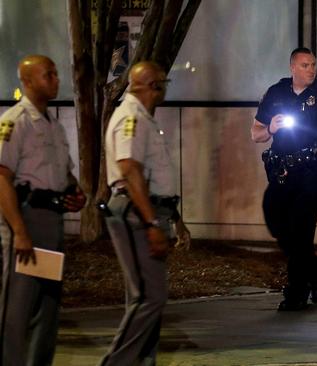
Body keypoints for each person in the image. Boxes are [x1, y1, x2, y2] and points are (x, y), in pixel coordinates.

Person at [100, 61, 190, 365]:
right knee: (149, 298)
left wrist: (174, 220)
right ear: (152, 85)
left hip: (149, 211)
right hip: (137, 213)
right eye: (163, 82)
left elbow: (155, 177)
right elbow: (130, 171)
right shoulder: (131, 118)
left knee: (147, 298)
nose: (165, 88)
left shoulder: (145, 118)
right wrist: (151, 222)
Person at [251, 47, 317, 311]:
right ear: (292, 67)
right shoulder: (276, 92)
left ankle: (296, 292)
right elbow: (256, 133)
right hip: (281, 171)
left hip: (311, 171)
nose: (311, 69)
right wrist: (271, 127)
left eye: (313, 65)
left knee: (301, 230)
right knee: (276, 222)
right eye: (305, 65)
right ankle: (314, 270)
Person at [0, 55, 86, 365]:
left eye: (54, 73)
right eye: (47, 75)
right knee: (18, 308)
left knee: (47, 305)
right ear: (27, 81)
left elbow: (64, 173)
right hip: (27, 220)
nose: (55, 79)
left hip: (51, 222)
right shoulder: (14, 122)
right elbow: (2, 177)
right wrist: (19, 231)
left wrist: (76, 193)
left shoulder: (52, 124)